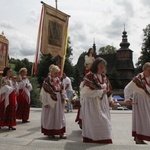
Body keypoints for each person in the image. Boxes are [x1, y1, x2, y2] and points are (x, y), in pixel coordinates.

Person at [80, 57, 114, 143]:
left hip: (103, 103)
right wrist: (101, 91)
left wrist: (111, 100)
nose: (103, 69)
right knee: (95, 122)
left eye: (104, 67)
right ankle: (93, 138)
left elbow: (108, 90)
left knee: (103, 120)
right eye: (101, 67)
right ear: (96, 66)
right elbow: (85, 91)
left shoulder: (104, 77)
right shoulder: (89, 76)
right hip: (92, 103)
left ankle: (103, 138)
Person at [124, 62, 150, 144]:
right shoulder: (138, 79)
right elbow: (127, 88)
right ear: (144, 70)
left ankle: (138, 137)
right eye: (149, 70)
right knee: (141, 119)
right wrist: (127, 98)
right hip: (140, 101)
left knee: (144, 119)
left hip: (147, 101)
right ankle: (139, 138)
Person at [40, 64, 67, 139]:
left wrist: (64, 98)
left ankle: (61, 132)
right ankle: (50, 132)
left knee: (60, 116)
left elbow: (63, 90)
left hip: (58, 101)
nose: (57, 74)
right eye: (55, 73)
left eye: (58, 73)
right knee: (50, 117)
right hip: (50, 101)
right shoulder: (46, 81)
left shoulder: (59, 81)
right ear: (51, 73)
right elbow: (43, 93)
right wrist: (45, 102)